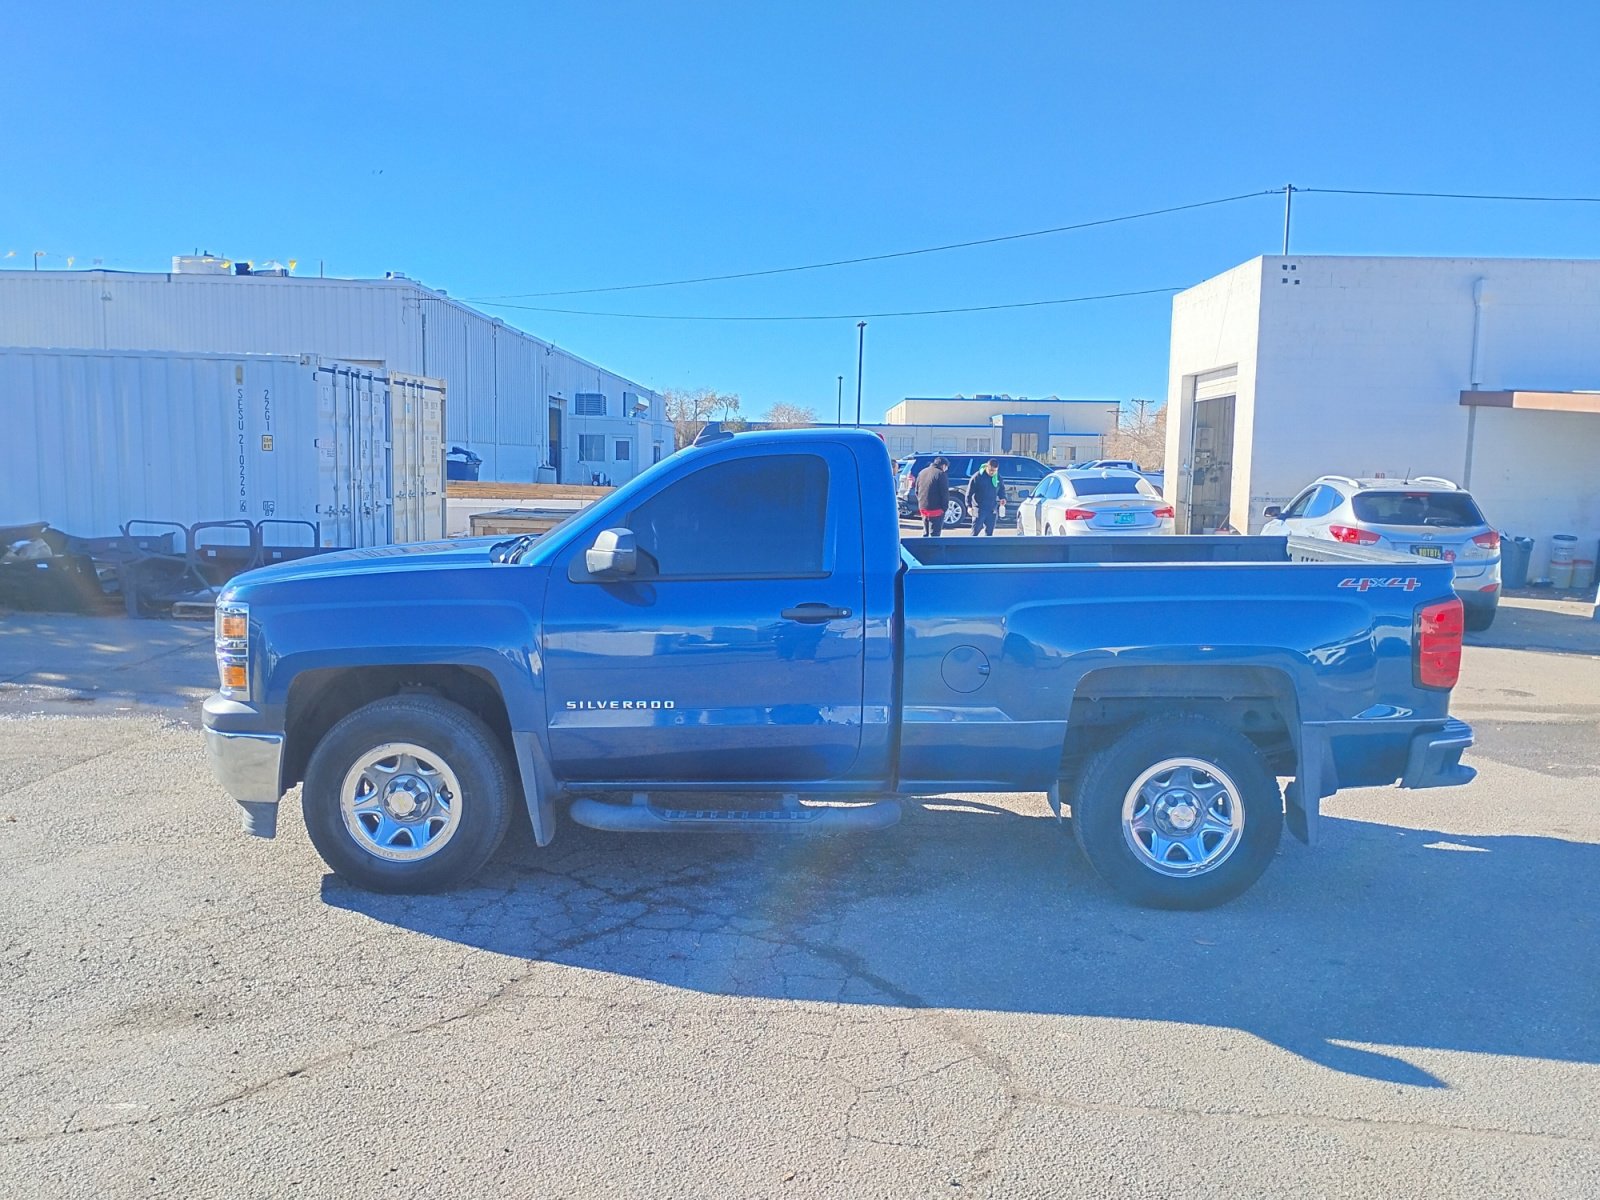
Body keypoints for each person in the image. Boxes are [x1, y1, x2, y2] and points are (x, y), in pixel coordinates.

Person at [966, 459, 1005, 536]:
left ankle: (988, 544)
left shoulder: (998, 477)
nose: (992, 472)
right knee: (975, 532)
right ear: (987, 467)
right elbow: (969, 493)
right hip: (979, 509)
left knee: (989, 533)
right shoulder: (977, 477)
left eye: (994, 471)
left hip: (991, 509)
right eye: (990, 470)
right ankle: (971, 543)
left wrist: (1003, 498)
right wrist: (969, 506)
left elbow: (1001, 489)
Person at [915, 456, 951, 536]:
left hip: (923, 507)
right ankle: (933, 543)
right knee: (935, 534)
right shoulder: (940, 474)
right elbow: (944, 493)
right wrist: (944, 508)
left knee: (926, 532)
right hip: (936, 509)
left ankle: (924, 542)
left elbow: (916, 490)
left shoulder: (922, 472)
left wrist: (921, 502)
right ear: (943, 465)